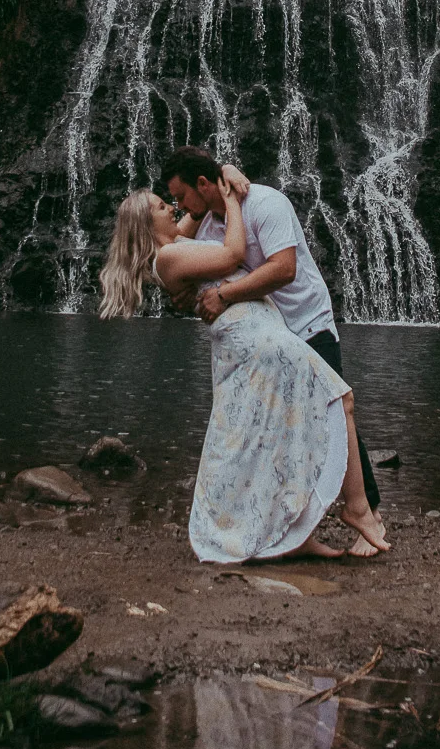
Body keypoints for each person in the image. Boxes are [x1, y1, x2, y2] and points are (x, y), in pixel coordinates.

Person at [99, 179, 389, 562]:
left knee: (280, 432)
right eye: (160, 206)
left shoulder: (175, 245)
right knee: (339, 398)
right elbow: (233, 254)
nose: (172, 206)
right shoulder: (168, 257)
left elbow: (194, 205)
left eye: (173, 200)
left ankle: (294, 532)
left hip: (263, 332)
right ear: (144, 224)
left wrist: (223, 174)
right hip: (259, 340)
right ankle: (359, 508)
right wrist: (231, 199)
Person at [160, 146, 384, 513]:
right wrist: (185, 294)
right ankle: (289, 519)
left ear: (202, 184)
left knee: (332, 411)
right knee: (276, 427)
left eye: (182, 197)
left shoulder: (266, 203)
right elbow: (170, 252)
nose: (180, 206)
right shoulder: (207, 225)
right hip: (265, 339)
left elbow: (284, 269)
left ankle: (369, 511)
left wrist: (224, 295)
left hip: (306, 322)